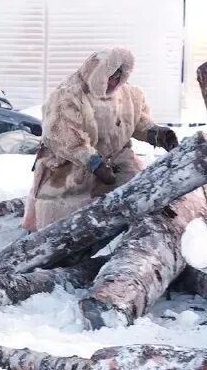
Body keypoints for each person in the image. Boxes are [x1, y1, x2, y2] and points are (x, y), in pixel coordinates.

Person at [23, 47, 180, 232]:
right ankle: (64, 244)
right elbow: (64, 136)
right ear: (97, 73)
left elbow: (136, 120)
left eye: (118, 78)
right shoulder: (67, 96)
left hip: (117, 161)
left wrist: (156, 133)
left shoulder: (130, 95)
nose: (114, 83)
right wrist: (93, 162)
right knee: (66, 212)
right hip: (70, 165)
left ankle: (134, 232)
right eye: (110, 77)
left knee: (138, 192)